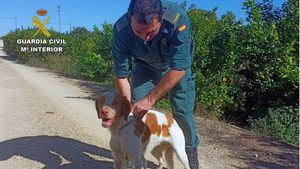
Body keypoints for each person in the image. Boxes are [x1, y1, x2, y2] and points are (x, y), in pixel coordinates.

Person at [112, 0, 200, 168]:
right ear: (130, 17)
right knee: (136, 110)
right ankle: (132, 155)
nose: (145, 38)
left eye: (151, 33)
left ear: (161, 18)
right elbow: (122, 75)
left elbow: (180, 67)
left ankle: (191, 156)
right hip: (144, 67)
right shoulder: (120, 30)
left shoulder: (177, 19)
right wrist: (127, 108)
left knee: (183, 112)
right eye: (138, 31)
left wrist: (150, 99)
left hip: (175, 68)